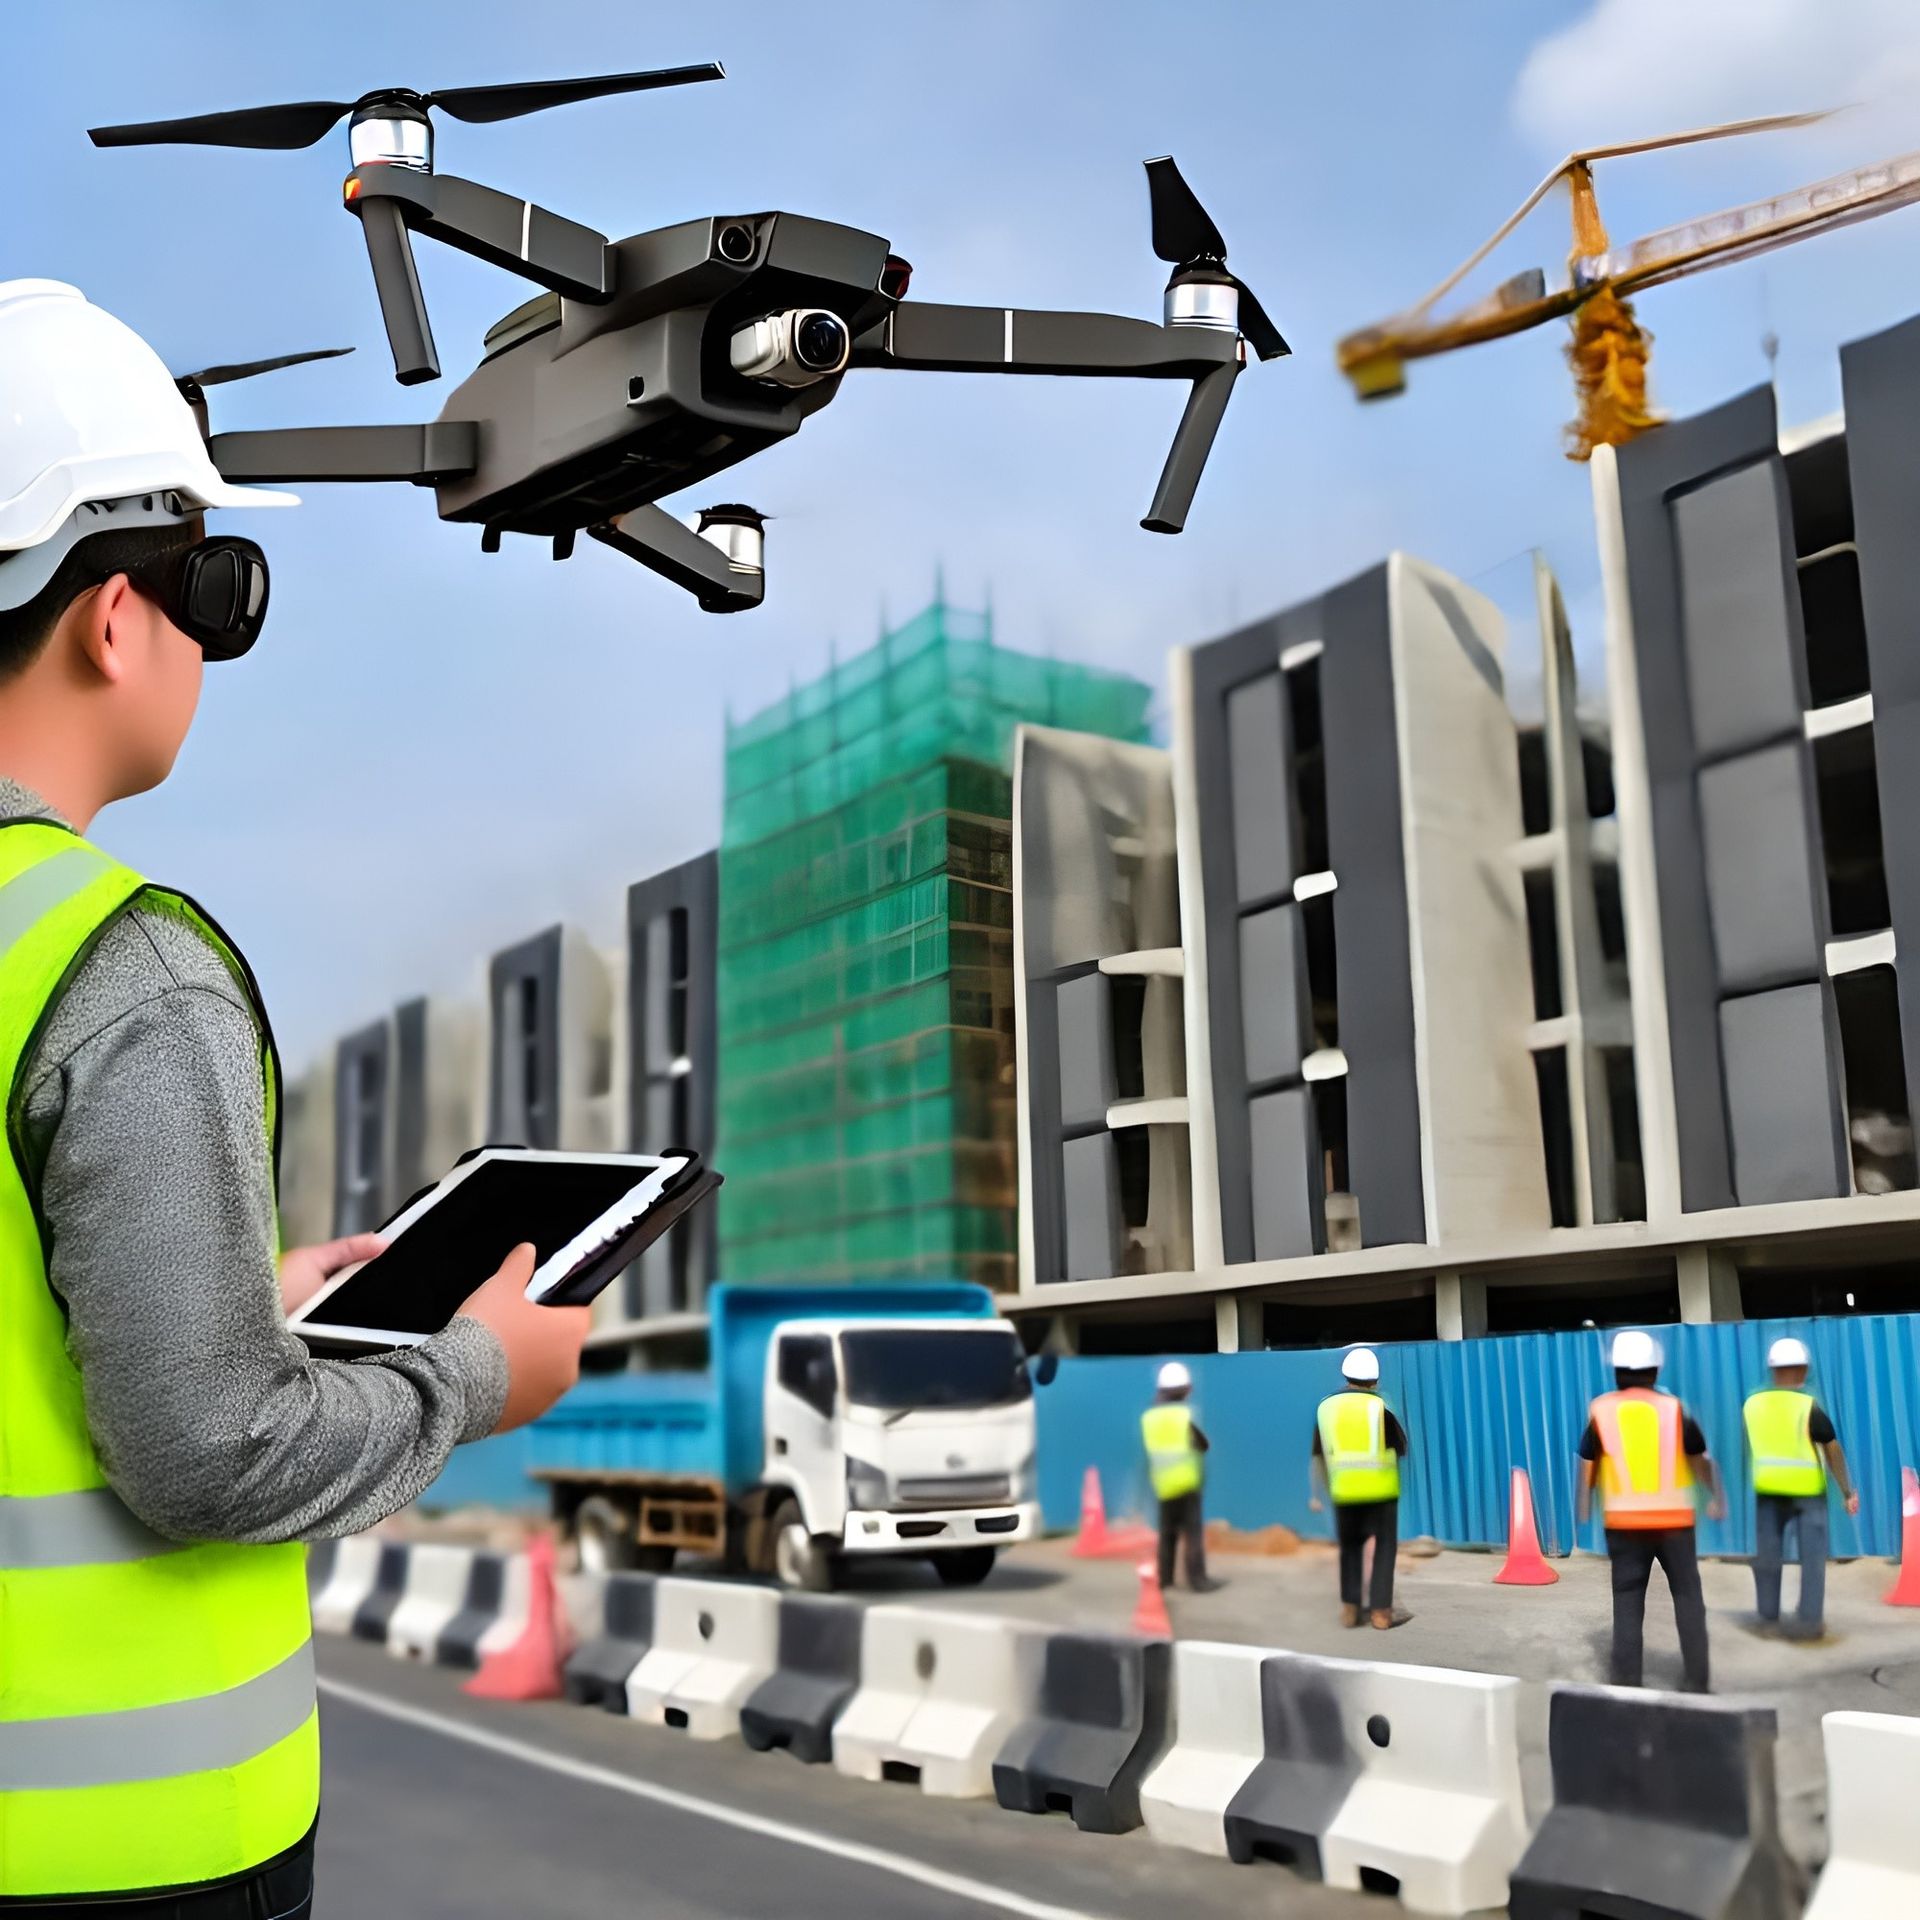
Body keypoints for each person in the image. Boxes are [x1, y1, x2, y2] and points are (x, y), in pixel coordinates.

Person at [0, 280, 592, 1916]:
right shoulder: (119, 969)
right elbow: (208, 1455)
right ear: (112, 615)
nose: (201, 640)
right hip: (125, 1857)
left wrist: (237, 1296)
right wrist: (479, 1374)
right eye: (206, 583)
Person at [1576, 1328, 1724, 1692]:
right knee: (1688, 1598)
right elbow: (1698, 1457)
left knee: (1627, 1601)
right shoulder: (1673, 1409)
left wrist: (1583, 1504)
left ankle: (1627, 1683)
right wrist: (1715, 1494)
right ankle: (1697, 1682)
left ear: (1616, 1372)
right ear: (1656, 1370)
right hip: (1674, 1521)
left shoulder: (1601, 1410)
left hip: (1624, 1523)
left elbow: (1587, 1462)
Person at [1744, 1335, 1859, 1642]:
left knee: (1767, 1557)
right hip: (1808, 1494)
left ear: (1773, 1370)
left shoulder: (1752, 1405)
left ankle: (1767, 1618)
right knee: (1812, 1560)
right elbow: (1832, 1450)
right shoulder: (1808, 1406)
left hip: (1767, 1491)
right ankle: (1809, 1622)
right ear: (1803, 1370)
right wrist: (1847, 1491)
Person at [1309, 1347, 1410, 1629]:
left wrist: (1316, 1494)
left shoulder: (1326, 1408)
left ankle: (1351, 1609)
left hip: (1344, 1493)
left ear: (1346, 1375)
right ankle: (1380, 1613)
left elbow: (1318, 1454)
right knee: (1384, 1549)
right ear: (1375, 1379)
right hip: (1381, 1492)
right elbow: (1400, 1447)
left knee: (1350, 1550)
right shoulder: (1381, 1408)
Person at [1141, 1360, 1221, 1592]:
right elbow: (1203, 1445)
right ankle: (1198, 1580)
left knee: (1167, 1534)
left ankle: (1165, 1579)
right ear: (1185, 1389)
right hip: (1187, 1483)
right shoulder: (1184, 1415)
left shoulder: (1150, 1418)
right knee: (1192, 1534)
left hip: (1163, 1484)